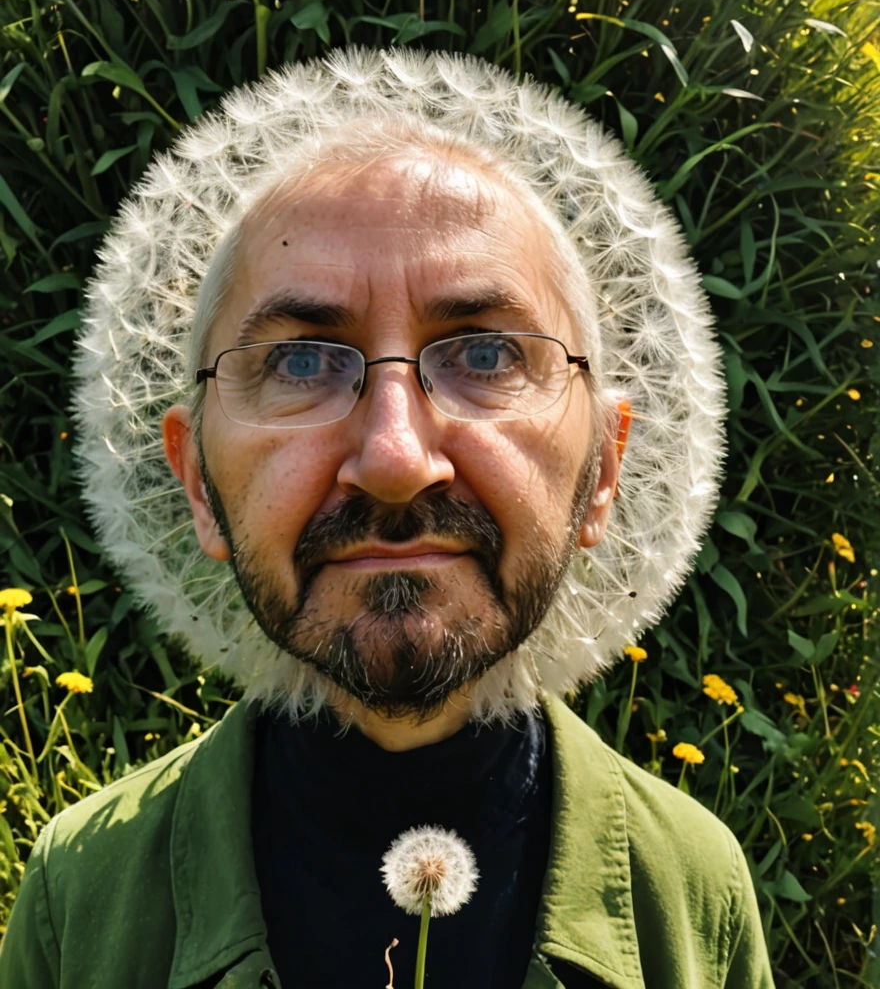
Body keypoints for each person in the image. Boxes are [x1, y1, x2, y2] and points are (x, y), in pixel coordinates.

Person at [0, 49, 774, 988]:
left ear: (603, 469)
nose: (397, 459)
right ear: (197, 479)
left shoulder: (691, 894)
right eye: (299, 363)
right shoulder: (80, 898)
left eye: (485, 354)